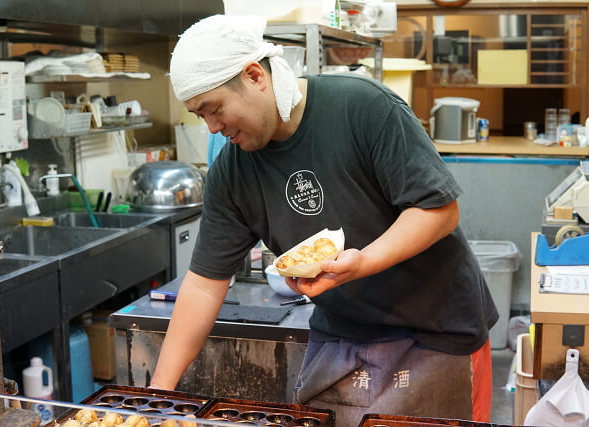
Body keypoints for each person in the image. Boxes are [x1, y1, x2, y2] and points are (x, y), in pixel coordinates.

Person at [151, 14, 498, 425]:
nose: (212, 127)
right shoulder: (233, 172)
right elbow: (206, 286)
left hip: (435, 332)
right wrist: (156, 396)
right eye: (199, 116)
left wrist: (364, 262)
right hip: (341, 335)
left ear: (254, 76)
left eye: (215, 109)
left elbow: (438, 210)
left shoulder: (363, 108)